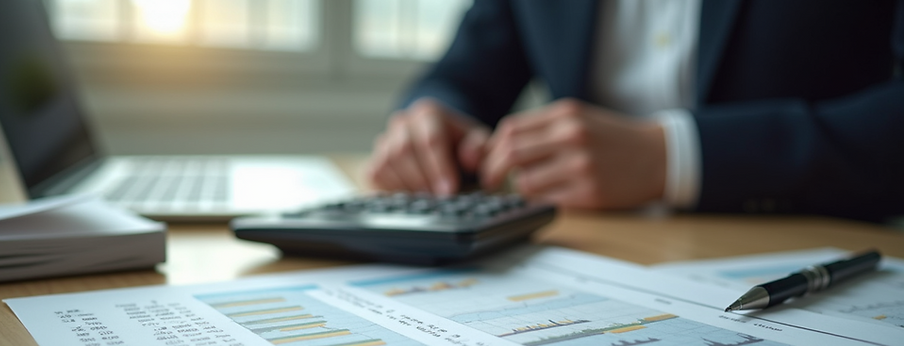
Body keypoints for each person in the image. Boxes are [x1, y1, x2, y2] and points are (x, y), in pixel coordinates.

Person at [367, 0, 904, 222]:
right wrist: (429, 118)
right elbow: (461, 76)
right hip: (581, 249)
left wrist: (672, 157)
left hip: (799, 244)